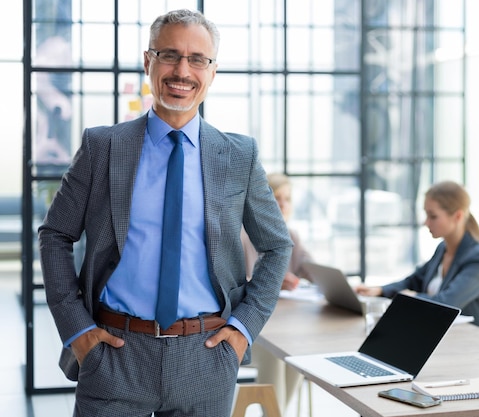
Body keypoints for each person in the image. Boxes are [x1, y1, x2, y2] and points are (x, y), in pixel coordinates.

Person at [38, 9, 293, 417]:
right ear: (148, 62)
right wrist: (78, 331)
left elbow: (277, 246)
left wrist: (243, 330)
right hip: (114, 356)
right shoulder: (102, 148)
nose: (182, 71)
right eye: (170, 55)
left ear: (212, 72)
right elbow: (55, 235)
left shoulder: (238, 156)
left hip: (207, 357)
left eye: (197, 60)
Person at [355, 180, 479, 333]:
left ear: (458, 216)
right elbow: (414, 281)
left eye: (433, 216)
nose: (426, 222)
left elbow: (447, 303)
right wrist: (380, 290)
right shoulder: (443, 248)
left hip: (478, 342)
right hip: (443, 335)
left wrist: (412, 297)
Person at [241, 172, 312, 413]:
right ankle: (275, 412)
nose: (283, 204)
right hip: (254, 330)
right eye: (276, 197)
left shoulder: (290, 235)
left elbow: (311, 267)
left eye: (287, 198)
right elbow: (236, 284)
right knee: (277, 353)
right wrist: (271, 281)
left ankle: (278, 411)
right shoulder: (242, 235)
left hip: (284, 325)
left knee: (295, 352)